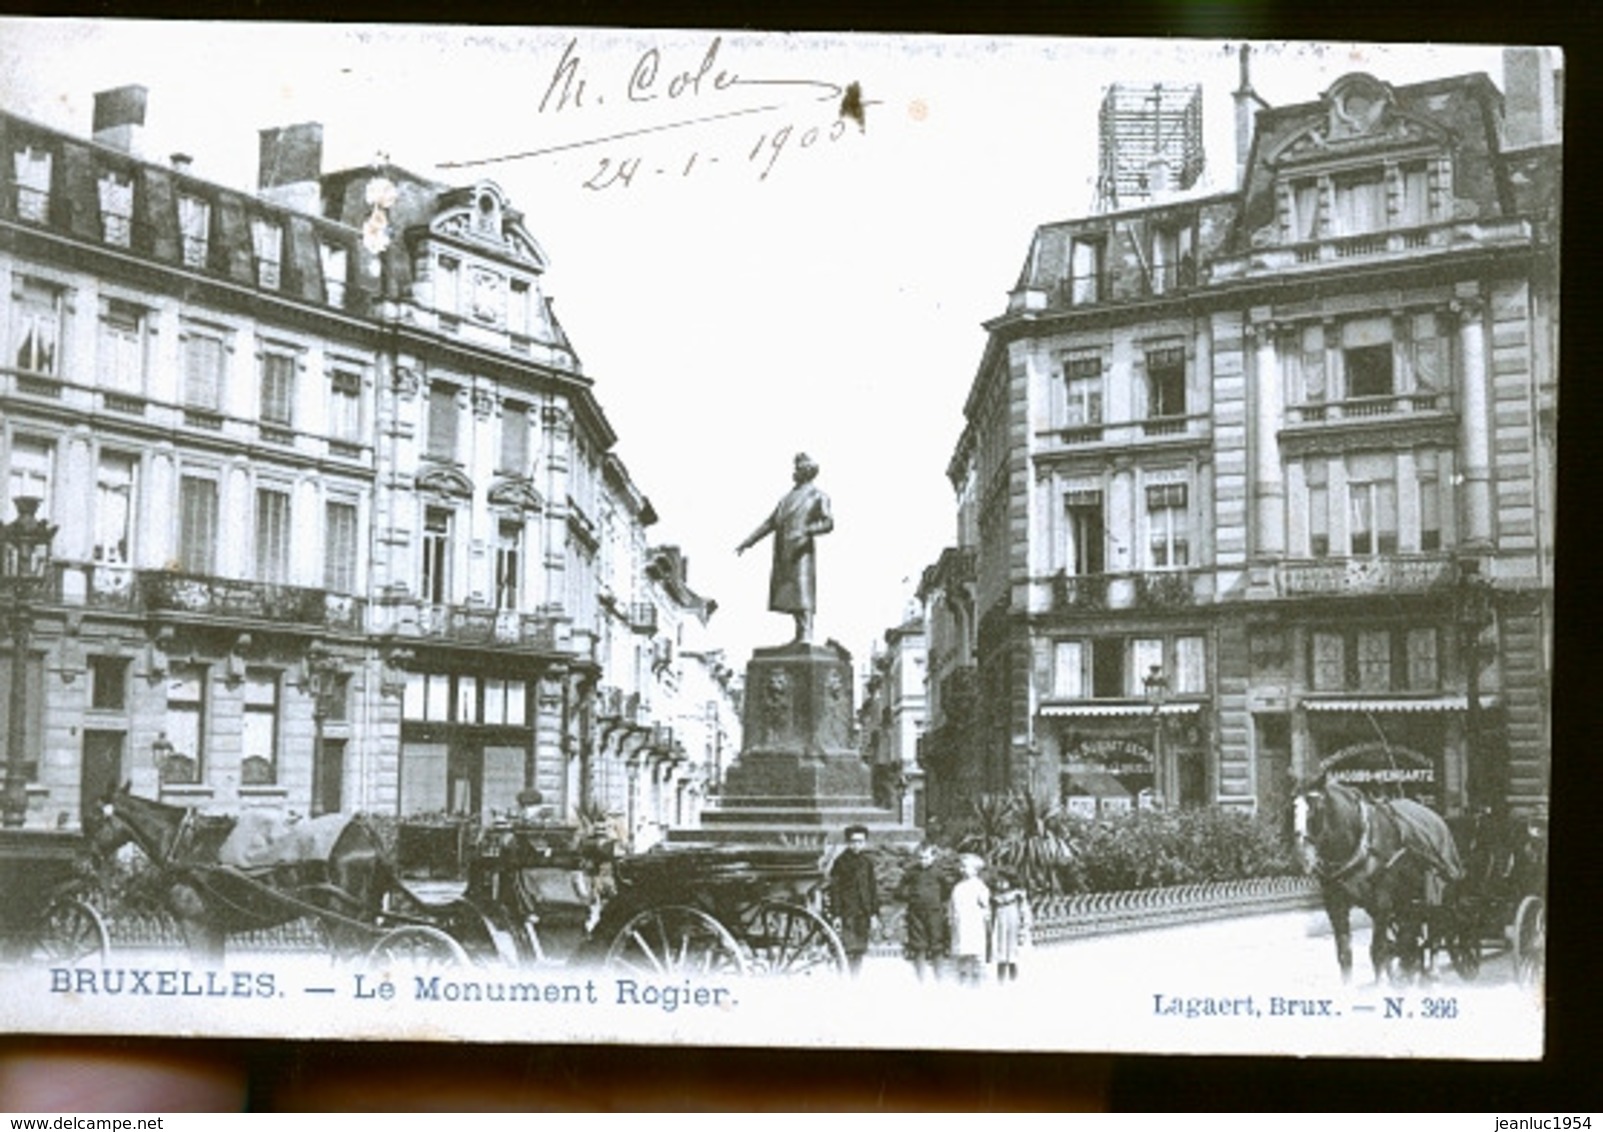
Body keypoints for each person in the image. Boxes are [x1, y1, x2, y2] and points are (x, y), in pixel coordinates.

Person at [736, 452, 834, 644]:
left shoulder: (818, 496)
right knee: (790, 595)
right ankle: (799, 635)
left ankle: (806, 633)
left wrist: (806, 531)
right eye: (795, 467)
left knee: (803, 592)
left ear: (806, 472)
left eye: (797, 468)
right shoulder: (786, 499)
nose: (794, 471)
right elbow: (770, 523)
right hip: (783, 551)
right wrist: (748, 542)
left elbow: (828, 522)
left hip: (801, 550)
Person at [827, 823, 879, 975]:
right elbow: (835, 890)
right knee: (847, 948)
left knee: (860, 949)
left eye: (860, 841)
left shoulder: (867, 863)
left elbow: (872, 889)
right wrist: (836, 914)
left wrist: (874, 913)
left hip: (864, 912)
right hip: (847, 912)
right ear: (848, 842)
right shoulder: (840, 862)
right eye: (853, 841)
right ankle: (845, 979)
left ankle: (855, 979)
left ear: (865, 842)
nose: (857, 845)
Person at [897, 842, 948, 981]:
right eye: (920, 858)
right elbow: (899, 891)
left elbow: (945, 892)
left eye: (926, 858)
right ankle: (921, 979)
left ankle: (940, 979)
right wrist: (911, 898)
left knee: (936, 944)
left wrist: (937, 903)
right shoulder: (912, 873)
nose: (923, 861)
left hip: (934, 913)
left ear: (933, 858)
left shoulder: (938, 873)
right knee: (918, 945)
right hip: (916, 914)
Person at [947, 853, 991, 987]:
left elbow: (985, 906)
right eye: (960, 867)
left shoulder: (979, 886)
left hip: (974, 924)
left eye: (965, 867)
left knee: (976, 954)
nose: (962, 869)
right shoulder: (958, 886)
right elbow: (952, 904)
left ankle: (978, 982)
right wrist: (951, 918)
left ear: (975, 869)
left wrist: (985, 919)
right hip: (960, 924)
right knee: (962, 953)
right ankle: (963, 980)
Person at [988, 869, 1033, 983]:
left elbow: (1025, 913)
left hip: (1014, 926)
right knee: (1001, 954)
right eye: (998, 881)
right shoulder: (995, 899)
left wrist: (1024, 928)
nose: (1000, 884)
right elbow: (991, 915)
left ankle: (1014, 980)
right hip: (1000, 928)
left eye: (1004, 881)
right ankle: (1001, 980)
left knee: (1013, 955)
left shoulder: (1017, 897)